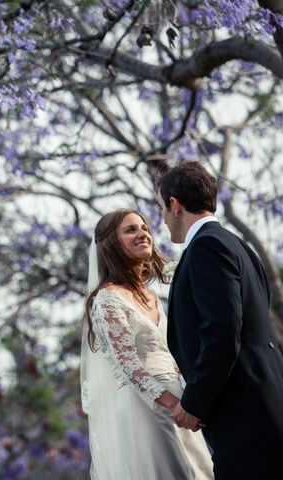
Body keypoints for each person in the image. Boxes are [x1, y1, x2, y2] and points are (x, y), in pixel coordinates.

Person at [157, 161, 283, 480]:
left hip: (244, 410)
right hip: (264, 398)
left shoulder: (206, 247)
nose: (162, 217)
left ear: (174, 204)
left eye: (161, 207)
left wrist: (195, 402)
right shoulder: (238, 245)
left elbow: (223, 331)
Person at [81, 208, 213, 479]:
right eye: (130, 230)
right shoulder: (107, 299)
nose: (142, 233)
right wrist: (173, 405)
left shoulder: (152, 295)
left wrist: (190, 399)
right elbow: (129, 366)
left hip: (180, 400)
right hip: (146, 405)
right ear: (111, 244)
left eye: (144, 228)